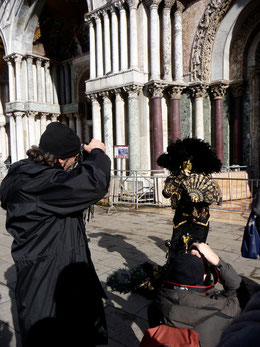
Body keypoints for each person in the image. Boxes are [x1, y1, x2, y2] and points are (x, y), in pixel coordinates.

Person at [0, 122, 111, 346]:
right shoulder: (42, 185)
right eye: (73, 160)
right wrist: (97, 153)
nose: (74, 165)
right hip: (47, 274)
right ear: (61, 160)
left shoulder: (28, 174)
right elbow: (93, 183)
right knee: (51, 334)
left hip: (44, 266)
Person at [147, 242, 241, 347]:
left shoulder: (155, 306)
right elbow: (237, 288)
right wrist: (216, 261)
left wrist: (185, 261)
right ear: (204, 276)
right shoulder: (223, 310)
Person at [157, 138, 222, 256]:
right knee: (177, 250)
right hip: (181, 219)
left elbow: (211, 195)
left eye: (190, 161)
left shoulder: (204, 178)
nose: (187, 163)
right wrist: (180, 177)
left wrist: (200, 200)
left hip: (199, 220)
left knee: (197, 251)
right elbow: (166, 193)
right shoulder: (174, 178)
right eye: (185, 160)